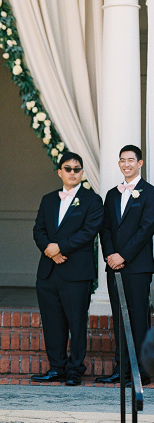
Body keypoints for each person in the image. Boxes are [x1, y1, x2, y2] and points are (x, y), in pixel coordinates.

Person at [31, 152, 103, 386]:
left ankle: (75, 370)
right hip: (48, 272)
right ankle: (57, 368)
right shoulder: (48, 199)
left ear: (82, 173)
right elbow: (38, 230)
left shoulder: (93, 200)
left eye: (77, 169)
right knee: (52, 323)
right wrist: (49, 250)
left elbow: (89, 232)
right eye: (67, 168)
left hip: (77, 273)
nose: (72, 172)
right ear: (60, 171)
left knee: (77, 322)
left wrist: (60, 247)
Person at [97, 145, 154, 386]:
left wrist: (124, 256)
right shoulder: (112, 194)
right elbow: (105, 227)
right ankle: (122, 369)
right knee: (120, 318)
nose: (126, 164)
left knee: (139, 318)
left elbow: (146, 229)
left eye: (131, 160)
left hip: (137, 266)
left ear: (140, 163)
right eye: (122, 160)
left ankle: (142, 371)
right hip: (115, 266)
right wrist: (111, 255)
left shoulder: (150, 193)